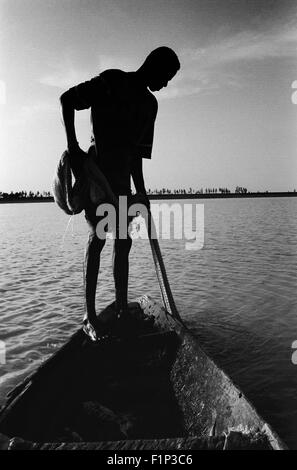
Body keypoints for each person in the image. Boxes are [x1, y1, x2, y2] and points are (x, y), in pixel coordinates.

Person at [60, 46, 180, 341]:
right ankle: (90, 316)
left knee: (123, 243)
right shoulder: (112, 81)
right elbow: (67, 100)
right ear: (153, 66)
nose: (164, 85)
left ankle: (122, 311)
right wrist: (73, 147)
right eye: (165, 77)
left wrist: (141, 192)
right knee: (98, 239)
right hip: (98, 179)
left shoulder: (150, 106)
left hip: (122, 184)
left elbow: (137, 155)